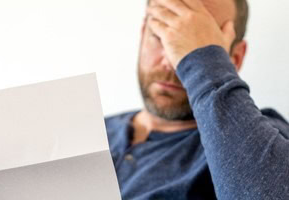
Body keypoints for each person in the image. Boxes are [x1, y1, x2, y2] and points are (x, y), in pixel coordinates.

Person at [105, 0, 289, 199]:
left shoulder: (265, 139)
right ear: (143, 34)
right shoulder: (95, 129)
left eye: (193, 41)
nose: (170, 62)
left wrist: (202, 60)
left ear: (234, 58)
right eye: (160, 36)